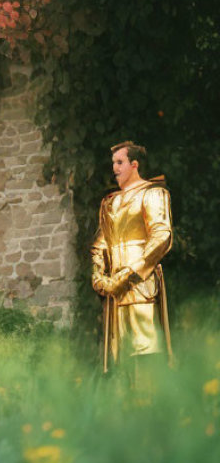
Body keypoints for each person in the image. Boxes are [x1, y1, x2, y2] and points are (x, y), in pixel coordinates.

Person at [91, 141, 174, 373]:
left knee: (146, 351)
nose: (115, 168)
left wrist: (128, 273)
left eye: (120, 162)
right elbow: (101, 244)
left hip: (141, 285)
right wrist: (98, 275)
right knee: (121, 359)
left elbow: (161, 236)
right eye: (113, 163)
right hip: (114, 291)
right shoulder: (111, 202)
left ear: (134, 164)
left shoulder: (153, 193)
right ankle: (126, 407)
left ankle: (150, 405)